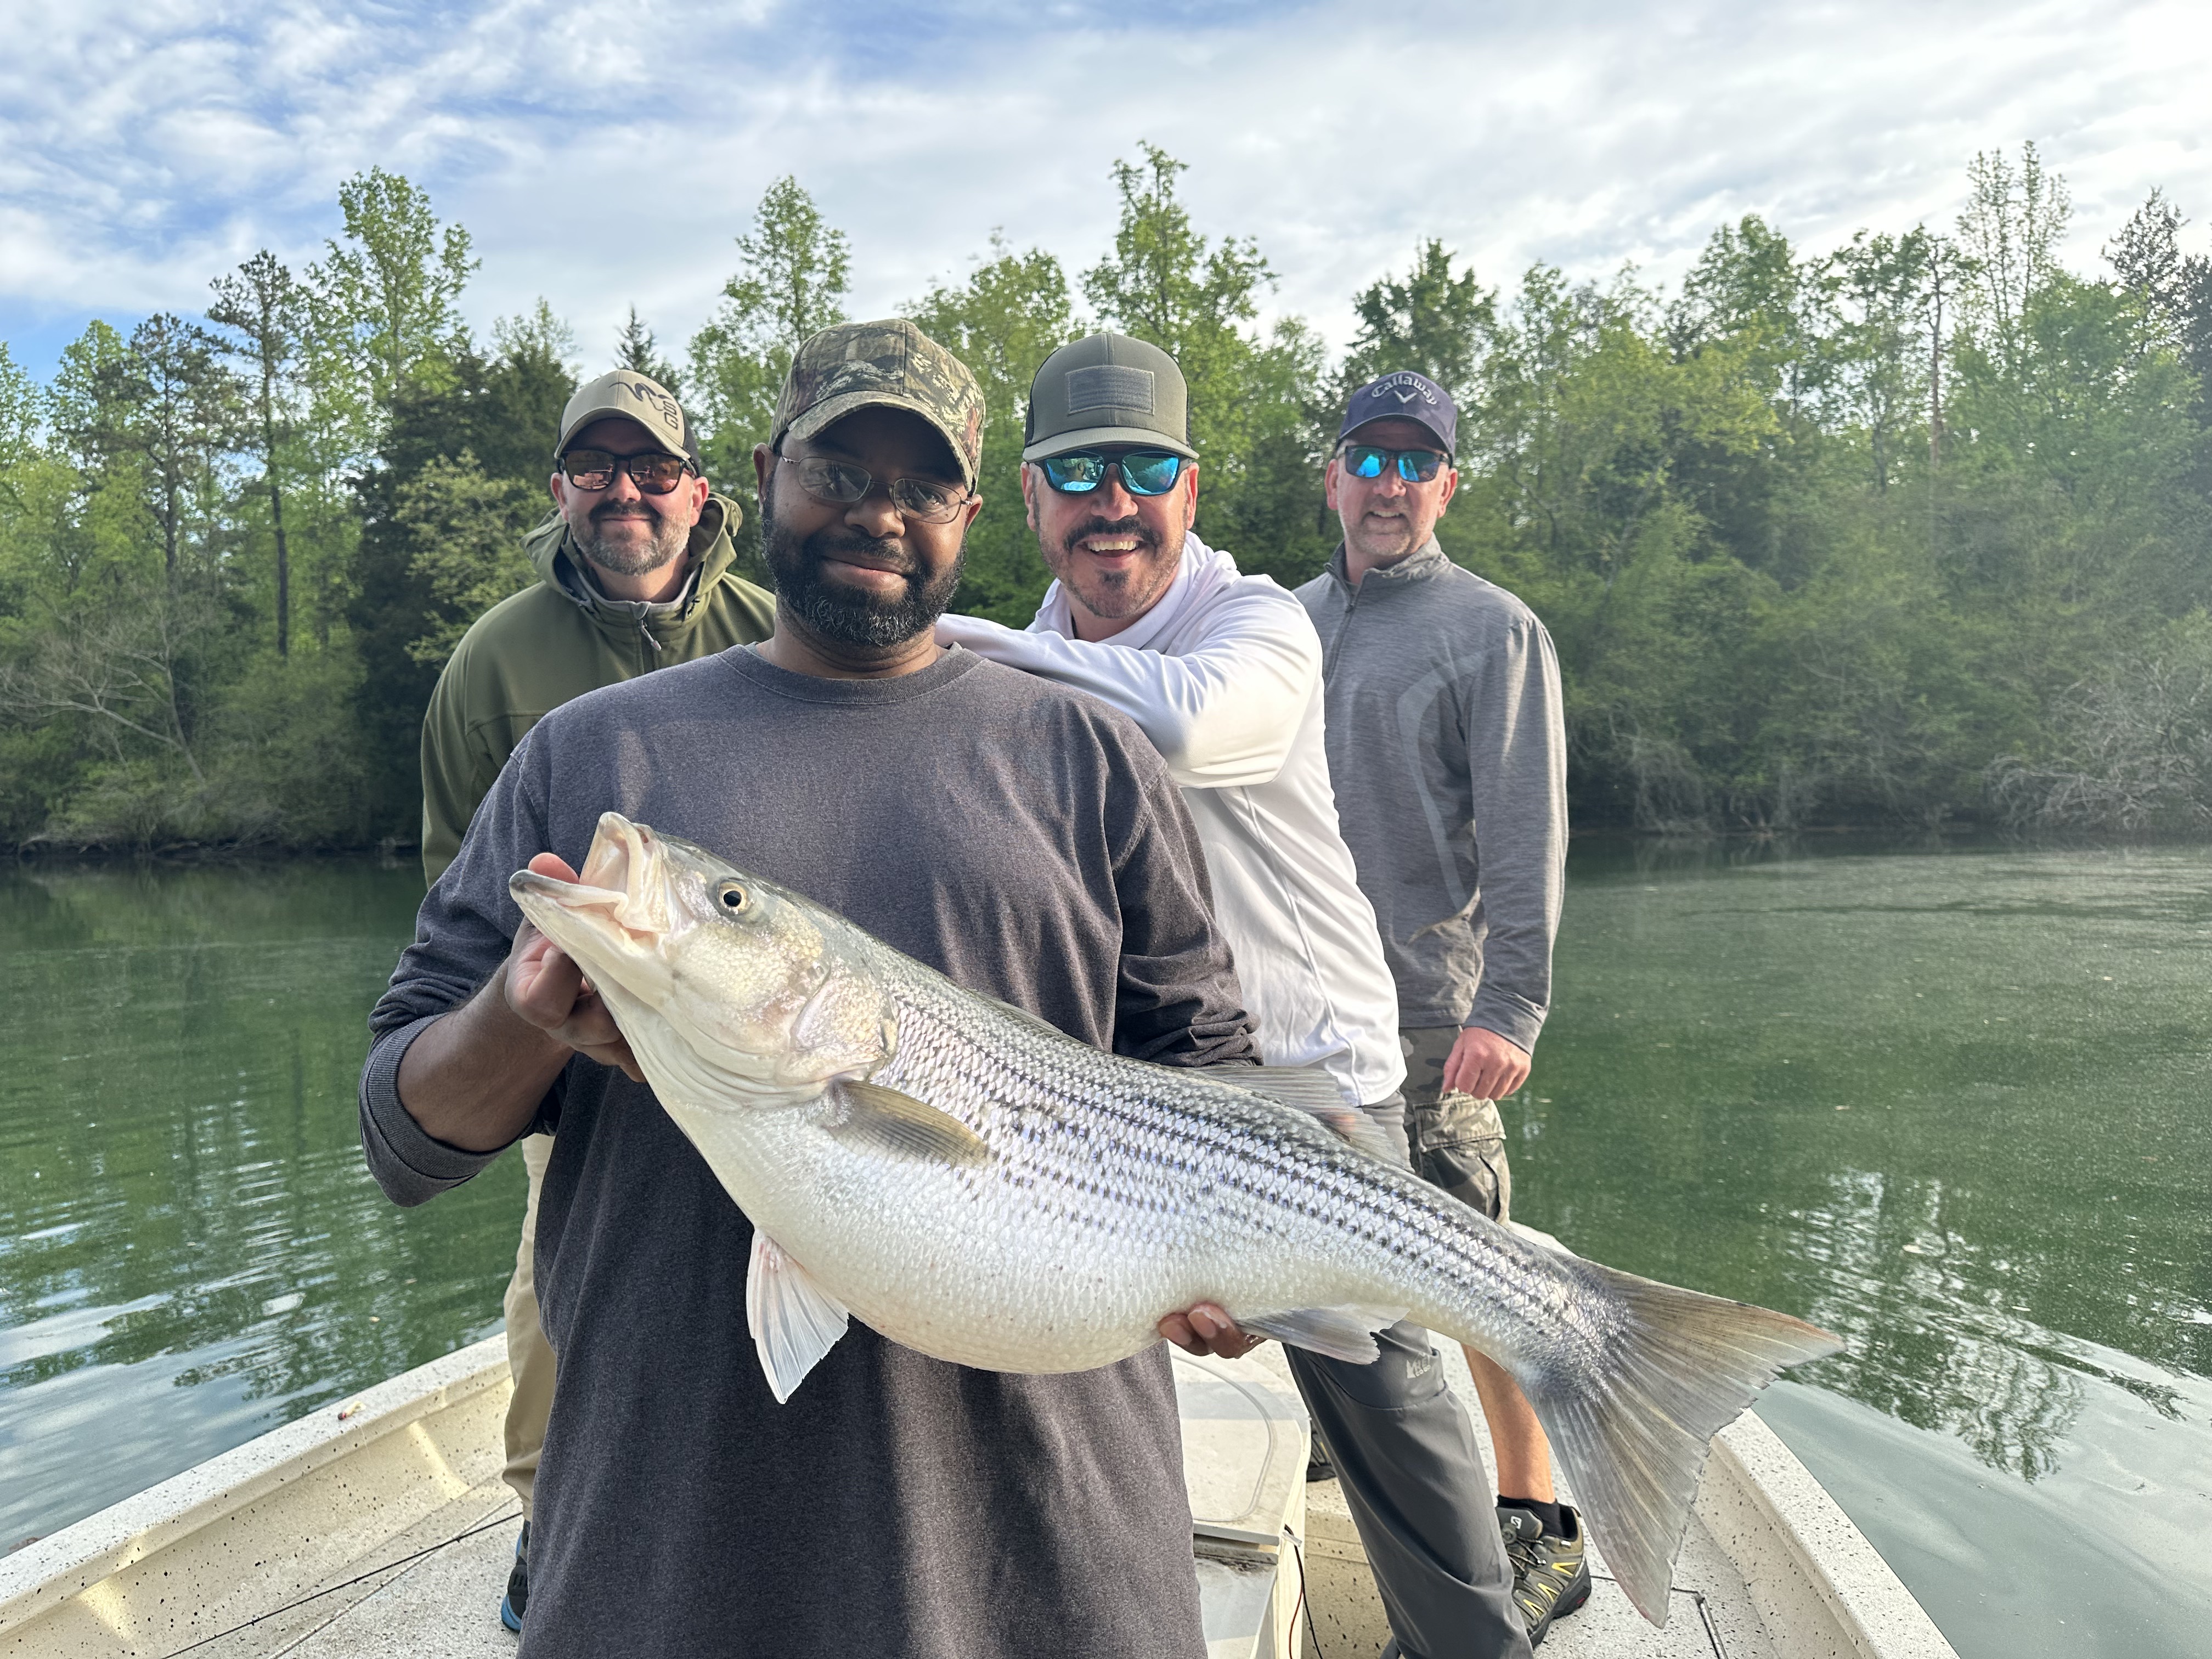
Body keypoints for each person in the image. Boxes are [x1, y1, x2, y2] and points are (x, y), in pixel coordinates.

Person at [360, 320, 1256, 1658]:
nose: (878, 514)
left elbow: (1211, 1061)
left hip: (1054, 1550)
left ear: (970, 513)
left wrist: (1242, 1254)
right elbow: (403, 1138)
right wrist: (520, 1018)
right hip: (671, 1547)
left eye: (922, 485)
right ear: (766, 475)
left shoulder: (1094, 757)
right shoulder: (589, 760)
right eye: (839, 472)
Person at [939, 334, 1531, 1659]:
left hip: (1315, 1088)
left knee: (1382, 1392)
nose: (1112, 504)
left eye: (1145, 472)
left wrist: (947, 647)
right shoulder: (1029, 654)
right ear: (1027, 499)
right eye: (1076, 473)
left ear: (1191, 491)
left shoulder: (1256, 625)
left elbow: (1192, 729)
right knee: (1073, 1381)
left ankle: (1474, 1644)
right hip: (1131, 1106)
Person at [414, 368, 775, 1630]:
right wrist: (528, 1040)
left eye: (654, 467)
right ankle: (549, 1517)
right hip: (580, 1054)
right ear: (561, 488)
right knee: (556, 1280)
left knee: (774, 1263)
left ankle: (757, 1505)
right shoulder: (493, 661)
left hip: (761, 1043)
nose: (627, 490)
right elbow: (456, 893)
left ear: (701, 491)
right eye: (597, 467)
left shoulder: (775, 629)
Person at [1296, 371, 1585, 1644]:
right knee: (1320, 1245)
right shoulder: (1282, 622)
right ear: (1334, 476)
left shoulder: (1494, 629)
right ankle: (1349, 1434)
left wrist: (1509, 1006)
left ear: (1448, 486)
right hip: (1301, 1014)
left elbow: (1528, 830)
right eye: (1370, 458)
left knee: (1478, 1269)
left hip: (1431, 1017)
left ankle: (1540, 1520)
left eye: (1418, 463)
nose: (1390, 484)